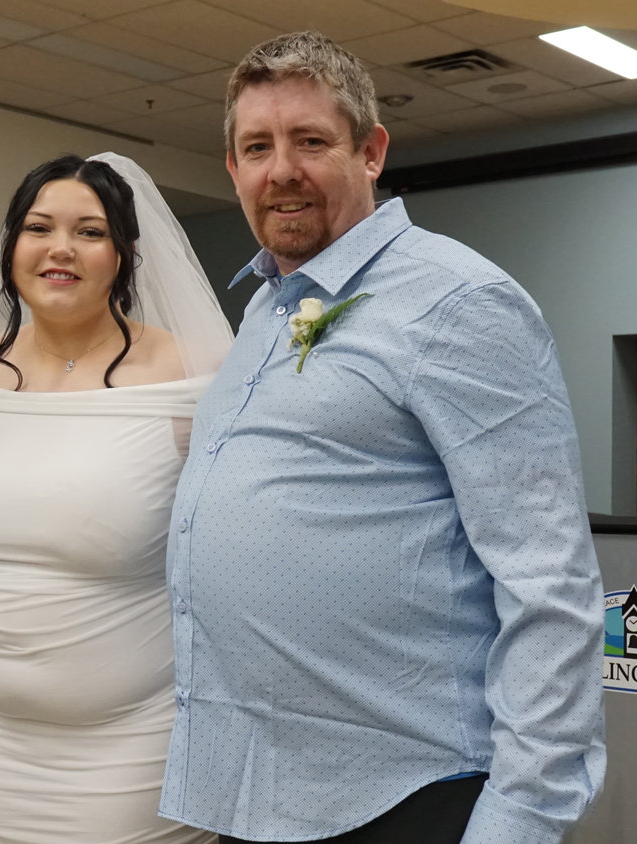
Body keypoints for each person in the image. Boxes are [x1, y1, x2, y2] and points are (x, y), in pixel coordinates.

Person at [161, 31, 606, 844]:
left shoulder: (459, 302)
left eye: (310, 141)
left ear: (371, 152)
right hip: (264, 788)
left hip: (407, 795)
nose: (280, 170)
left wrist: (520, 820)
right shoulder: (264, 305)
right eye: (256, 147)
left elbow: (550, 584)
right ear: (231, 169)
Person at [0, 152, 231, 843]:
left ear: (123, 254)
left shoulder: (193, 374)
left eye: (89, 232)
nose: (60, 248)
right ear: (12, 246)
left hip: (137, 739)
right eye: (39, 227)